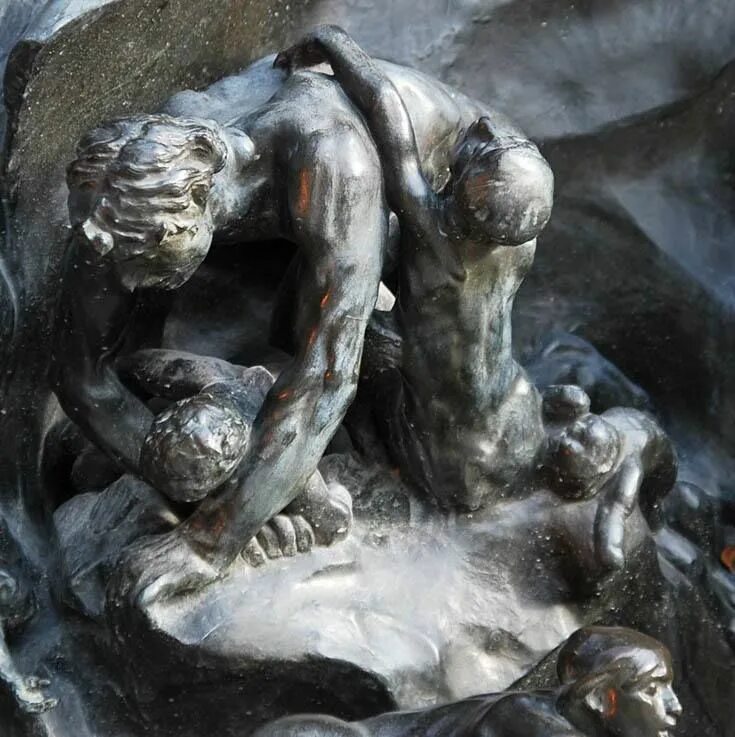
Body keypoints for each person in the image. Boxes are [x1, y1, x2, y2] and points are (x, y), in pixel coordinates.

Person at [276, 25, 554, 511]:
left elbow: (386, 110)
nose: (479, 138)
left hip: (443, 436)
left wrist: (333, 42)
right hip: (514, 410)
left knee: (333, 322)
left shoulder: (440, 235)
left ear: (466, 207)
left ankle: (285, 367)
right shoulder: (518, 244)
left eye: (483, 154)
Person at [253, 626, 681, 737]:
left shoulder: (546, 710)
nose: (674, 705)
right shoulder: (533, 724)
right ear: (603, 699)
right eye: (654, 689)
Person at [539, 385, 677, 571]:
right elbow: (561, 396)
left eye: (578, 437)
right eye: (573, 431)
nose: (567, 437)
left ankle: (658, 528)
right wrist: (558, 395)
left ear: (602, 467)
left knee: (652, 501)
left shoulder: (630, 466)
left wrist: (610, 549)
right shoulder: (580, 413)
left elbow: (615, 509)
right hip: (626, 415)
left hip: (663, 461)